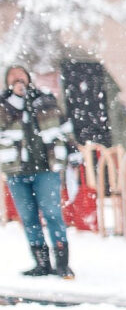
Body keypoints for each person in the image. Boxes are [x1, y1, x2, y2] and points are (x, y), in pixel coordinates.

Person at [1, 65, 78, 278]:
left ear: (28, 78)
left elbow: (64, 127)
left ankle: (62, 262)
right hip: (16, 170)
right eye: (13, 78)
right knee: (28, 217)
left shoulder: (45, 100)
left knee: (52, 213)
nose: (18, 81)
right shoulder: (3, 106)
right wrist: (13, 103)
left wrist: (72, 151)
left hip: (46, 168)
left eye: (21, 76)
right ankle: (41, 262)